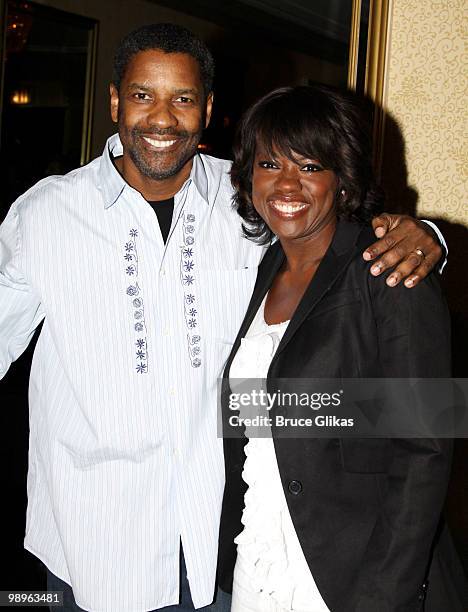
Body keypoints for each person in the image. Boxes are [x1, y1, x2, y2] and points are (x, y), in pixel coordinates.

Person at [0, 23, 446, 612]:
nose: (161, 118)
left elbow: (419, 428)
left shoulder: (246, 204)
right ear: (114, 102)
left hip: (217, 551)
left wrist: (429, 235)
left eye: (182, 98)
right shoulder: (44, 216)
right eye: (141, 96)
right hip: (93, 547)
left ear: (207, 108)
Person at [217, 84, 466, 611]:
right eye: (269, 163)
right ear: (248, 177)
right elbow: (272, 420)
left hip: (349, 579)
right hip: (258, 557)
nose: (287, 184)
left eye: (310, 166)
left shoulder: (390, 271)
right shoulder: (262, 273)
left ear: (342, 180)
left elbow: (426, 449)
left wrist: (380, 597)